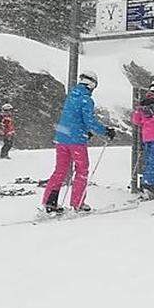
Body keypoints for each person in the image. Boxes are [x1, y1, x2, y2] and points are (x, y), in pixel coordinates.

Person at [41, 71, 114, 213]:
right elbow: (89, 121)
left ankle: (49, 202)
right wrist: (105, 131)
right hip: (76, 140)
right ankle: (77, 203)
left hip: (62, 138)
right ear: (92, 84)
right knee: (82, 170)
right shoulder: (86, 99)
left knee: (60, 170)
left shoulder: (71, 96)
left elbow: (72, 118)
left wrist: (84, 131)